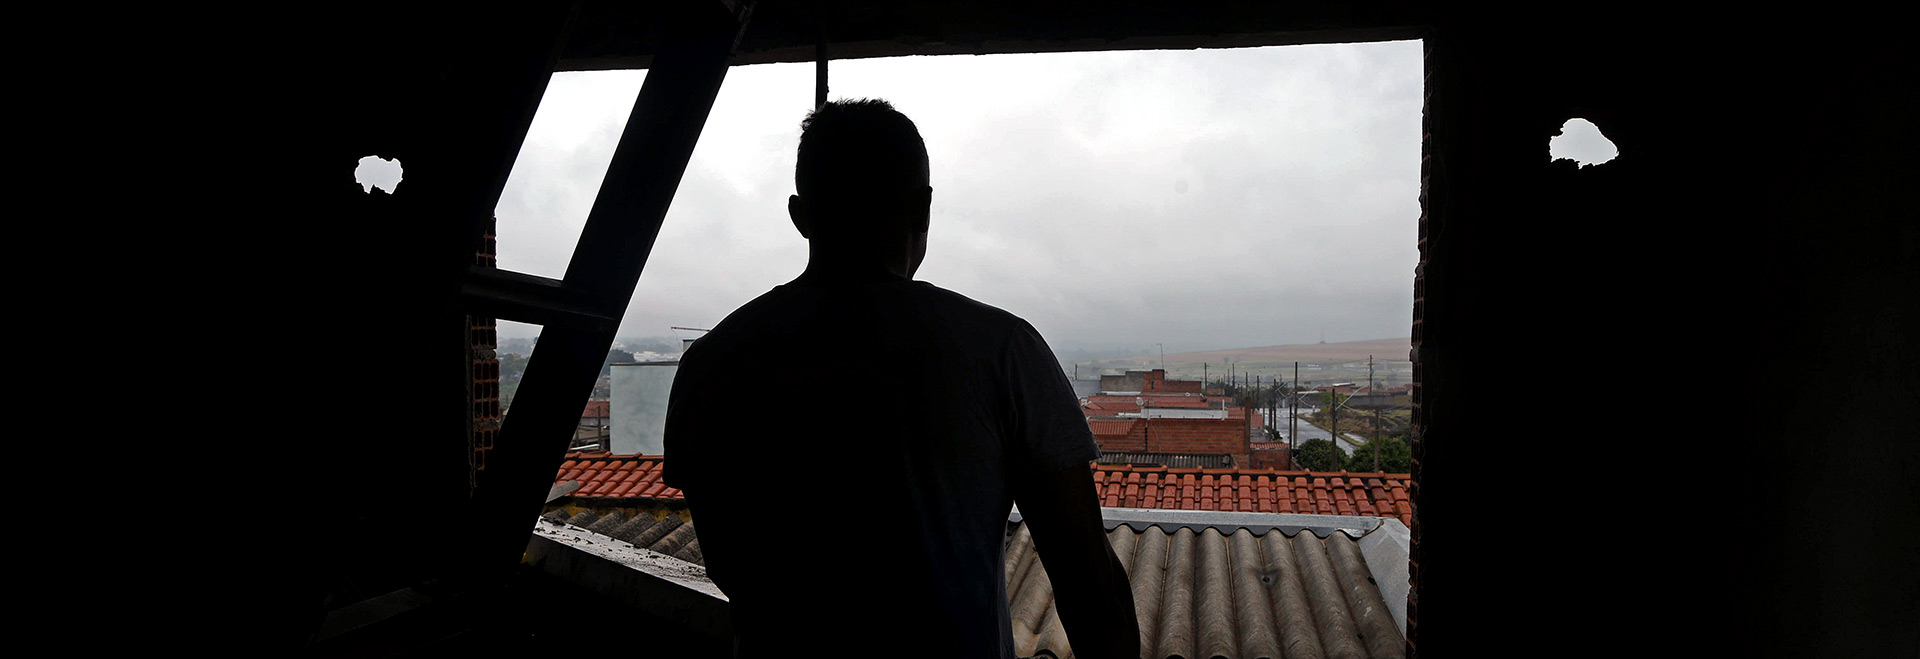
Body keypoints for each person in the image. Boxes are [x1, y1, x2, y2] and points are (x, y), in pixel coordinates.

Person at [663, 99, 1140, 659]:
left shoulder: (715, 361)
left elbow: (730, 564)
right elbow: (1087, 579)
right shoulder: (1001, 351)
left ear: (800, 215)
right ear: (924, 207)